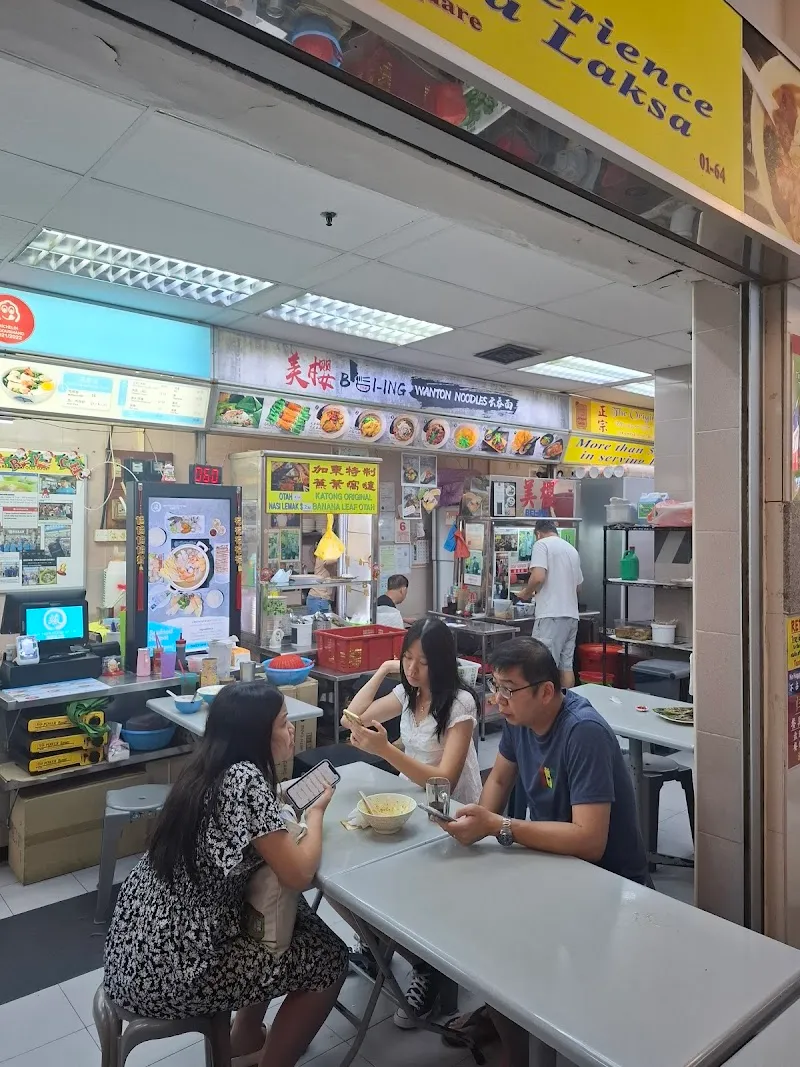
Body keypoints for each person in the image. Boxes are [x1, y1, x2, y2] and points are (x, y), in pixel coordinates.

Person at [104, 681, 348, 1067]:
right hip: (174, 968)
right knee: (330, 959)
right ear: (257, 735)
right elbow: (299, 874)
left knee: (295, 921)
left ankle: (243, 1039)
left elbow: (243, 827)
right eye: (284, 724)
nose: (290, 732)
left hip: (136, 945)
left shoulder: (208, 766)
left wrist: (279, 805)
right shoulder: (245, 782)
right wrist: (316, 813)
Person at [441, 637, 648, 1067]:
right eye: (494, 688)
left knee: (514, 952)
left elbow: (591, 841)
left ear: (546, 692)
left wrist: (498, 827)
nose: (498, 702)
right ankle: (516, 1046)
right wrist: (475, 825)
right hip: (554, 867)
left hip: (606, 884)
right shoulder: (520, 724)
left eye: (508, 690)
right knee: (483, 943)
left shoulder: (582, 732)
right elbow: (498, 782)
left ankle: (535, 1040)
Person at [344, 617, 481, 1028]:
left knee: (414, 891)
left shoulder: (459, 704)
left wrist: (386, 750)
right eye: (407, 658)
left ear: (442, 663)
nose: (412, 669)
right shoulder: (407, 692)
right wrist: (384, 671)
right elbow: (352, 717)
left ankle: (432, 978)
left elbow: (445, 780)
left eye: (422, 662)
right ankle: (379, 946)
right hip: (408, 801)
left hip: (449, 810)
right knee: (355, 868)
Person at [516, 519, 582, 688]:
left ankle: (544, 711)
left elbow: (538, 576)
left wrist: (526, 592)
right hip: (572, 616)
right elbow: (578, 587)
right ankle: (567, 707)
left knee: (541, 666)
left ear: (538, 533)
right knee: (566, 667)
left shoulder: (541, 544)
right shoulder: (571, 550)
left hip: (551, 615)